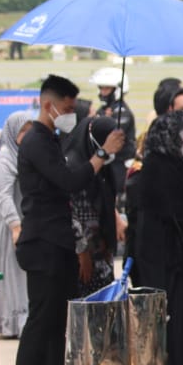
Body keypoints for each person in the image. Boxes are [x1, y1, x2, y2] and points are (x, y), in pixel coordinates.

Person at [8, 75, 124, 365]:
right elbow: (69, 181)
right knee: (42, 318)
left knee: (58, 319)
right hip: (42, 242)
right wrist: (103, 153)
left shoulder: (50, 138)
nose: (71, 113)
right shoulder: (37, 141)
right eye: (67, 107)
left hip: (56, 243)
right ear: (49, 105)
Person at [132, 109, 183, 365]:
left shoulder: (178, 163)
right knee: (173, 317)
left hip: (180, 256)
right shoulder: (158, 167)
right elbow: (172, 212)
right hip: (164, 257)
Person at [0, 111, 34, 338]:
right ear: (12, 132)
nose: (27, 135)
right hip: (8, 225)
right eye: (23, 130)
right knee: (7, 274)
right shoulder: (5, 158)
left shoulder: (25, 154)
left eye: (29, 129)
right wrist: (15, 226)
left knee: (21, 276)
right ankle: (8, 323)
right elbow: (3, 196)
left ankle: (21, 322)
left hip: (25, 220)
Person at [66, 115, 122, 297]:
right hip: (83, 253)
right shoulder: (75, 166)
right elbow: (71, 213)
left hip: (101, 252)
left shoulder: (104, 168)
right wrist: (82, 252)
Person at [89, 67, 136, 189]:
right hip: (106, 160)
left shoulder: (121, 111)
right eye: (101, 88)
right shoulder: (104, 109)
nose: (103, 92)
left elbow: (108, 134)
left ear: (118, 89)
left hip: (119, 162)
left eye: (107, 88)